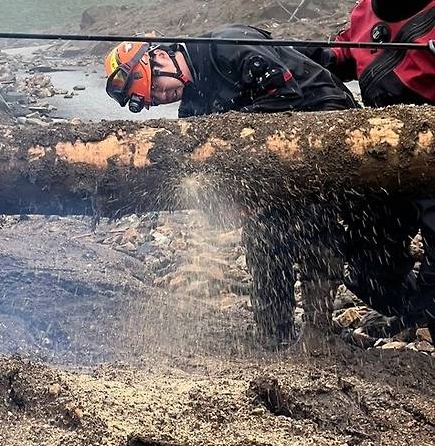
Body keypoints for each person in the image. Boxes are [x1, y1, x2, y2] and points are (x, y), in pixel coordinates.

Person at [104, 25, 357, 346]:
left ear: (159, 56)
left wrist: (228, 133)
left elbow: (284, 93)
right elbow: (211, 164)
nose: (159, 97)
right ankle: (273, 332)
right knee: (263, 232)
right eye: (152, 99)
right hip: (271, 154)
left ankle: (317, 330)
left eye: (154, 86)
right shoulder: (192, 109)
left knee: (310, 220)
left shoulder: (225, 45)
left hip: (322, 117)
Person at [315, 0, 435, 337]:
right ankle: (411, 313)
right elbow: (342, 57)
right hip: (384, 157)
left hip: (433, 158)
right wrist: (308, 56)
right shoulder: (366, 11)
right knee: (367, 268)